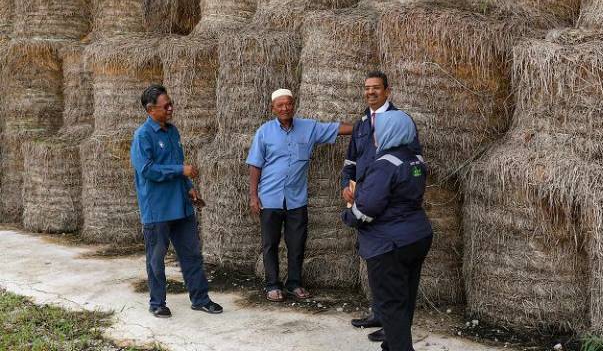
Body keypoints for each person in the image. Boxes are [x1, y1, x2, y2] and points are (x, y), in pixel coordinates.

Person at [247, 88, 353, 302]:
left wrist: (369, 124)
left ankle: (294, 283)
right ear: (273, 108)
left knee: (297, 244)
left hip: (297, 199)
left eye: (288, 104)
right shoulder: (264, 132)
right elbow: (255, 165)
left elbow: (337, 129)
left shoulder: (309, 128)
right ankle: (272, 284)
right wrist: (253, 196)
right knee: (270, 244)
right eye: (280, 105)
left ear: (293, 105)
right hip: (270, 197)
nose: (285, 108)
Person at [341, 110, 433, 351]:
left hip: (389, 244)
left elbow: (368, 209)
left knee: (391, 304)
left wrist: (349, 213)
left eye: (377, 131)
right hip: (417, 236)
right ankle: (391, 346)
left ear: (388, 132)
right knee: (404, 300)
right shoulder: (415, 160)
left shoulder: (384, 164)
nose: (374, 136)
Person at [130, 84, 223, 318]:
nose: (171, 108)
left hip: (181, 206)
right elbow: (147, 170)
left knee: (192, 254)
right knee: (156, 258)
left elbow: (180, 167)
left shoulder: (173, 132)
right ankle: (157, 303)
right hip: (158, 209)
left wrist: (189, 187)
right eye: (166, 105)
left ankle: (200, 298)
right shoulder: (142, 136)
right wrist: (180, 170)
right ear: (151, 110)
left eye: (171, 103)